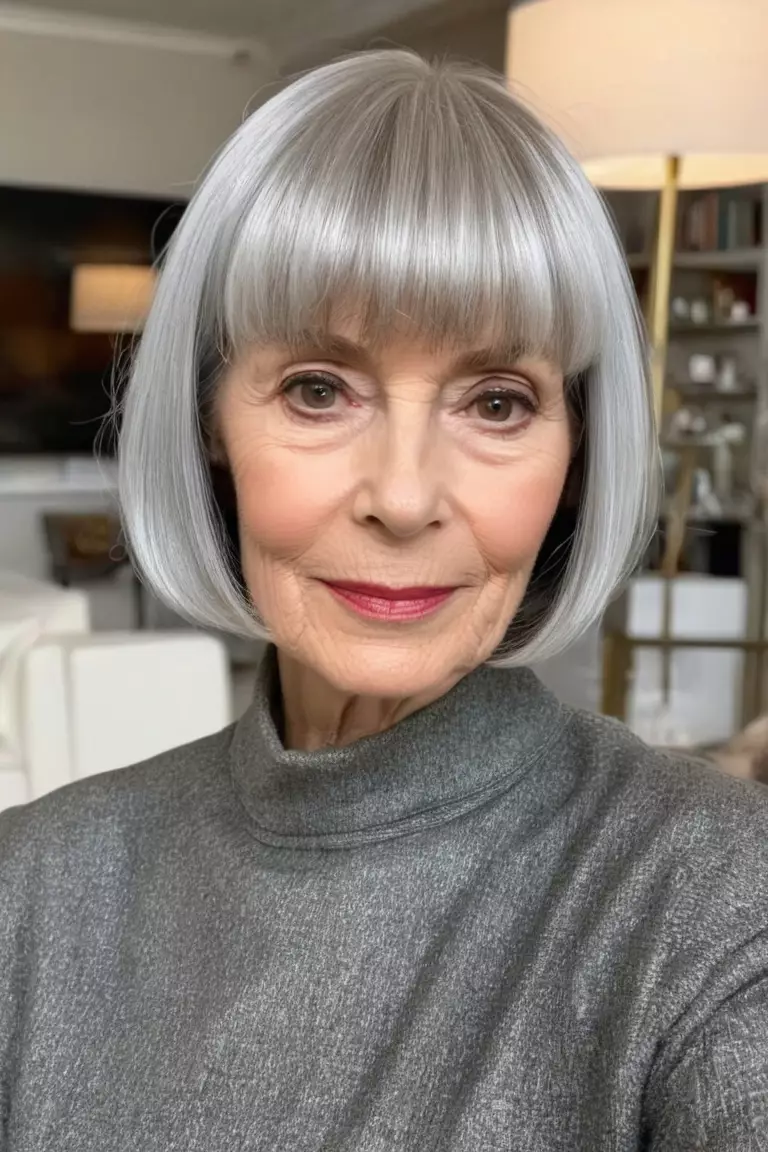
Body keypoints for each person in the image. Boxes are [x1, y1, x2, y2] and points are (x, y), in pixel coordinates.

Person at [1, 50, 767, 1151]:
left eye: (498, 402)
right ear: (213, 420)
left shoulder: (719, 901)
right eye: (319, 389)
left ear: (576, 453)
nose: (405, 498)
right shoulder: (30, 888)